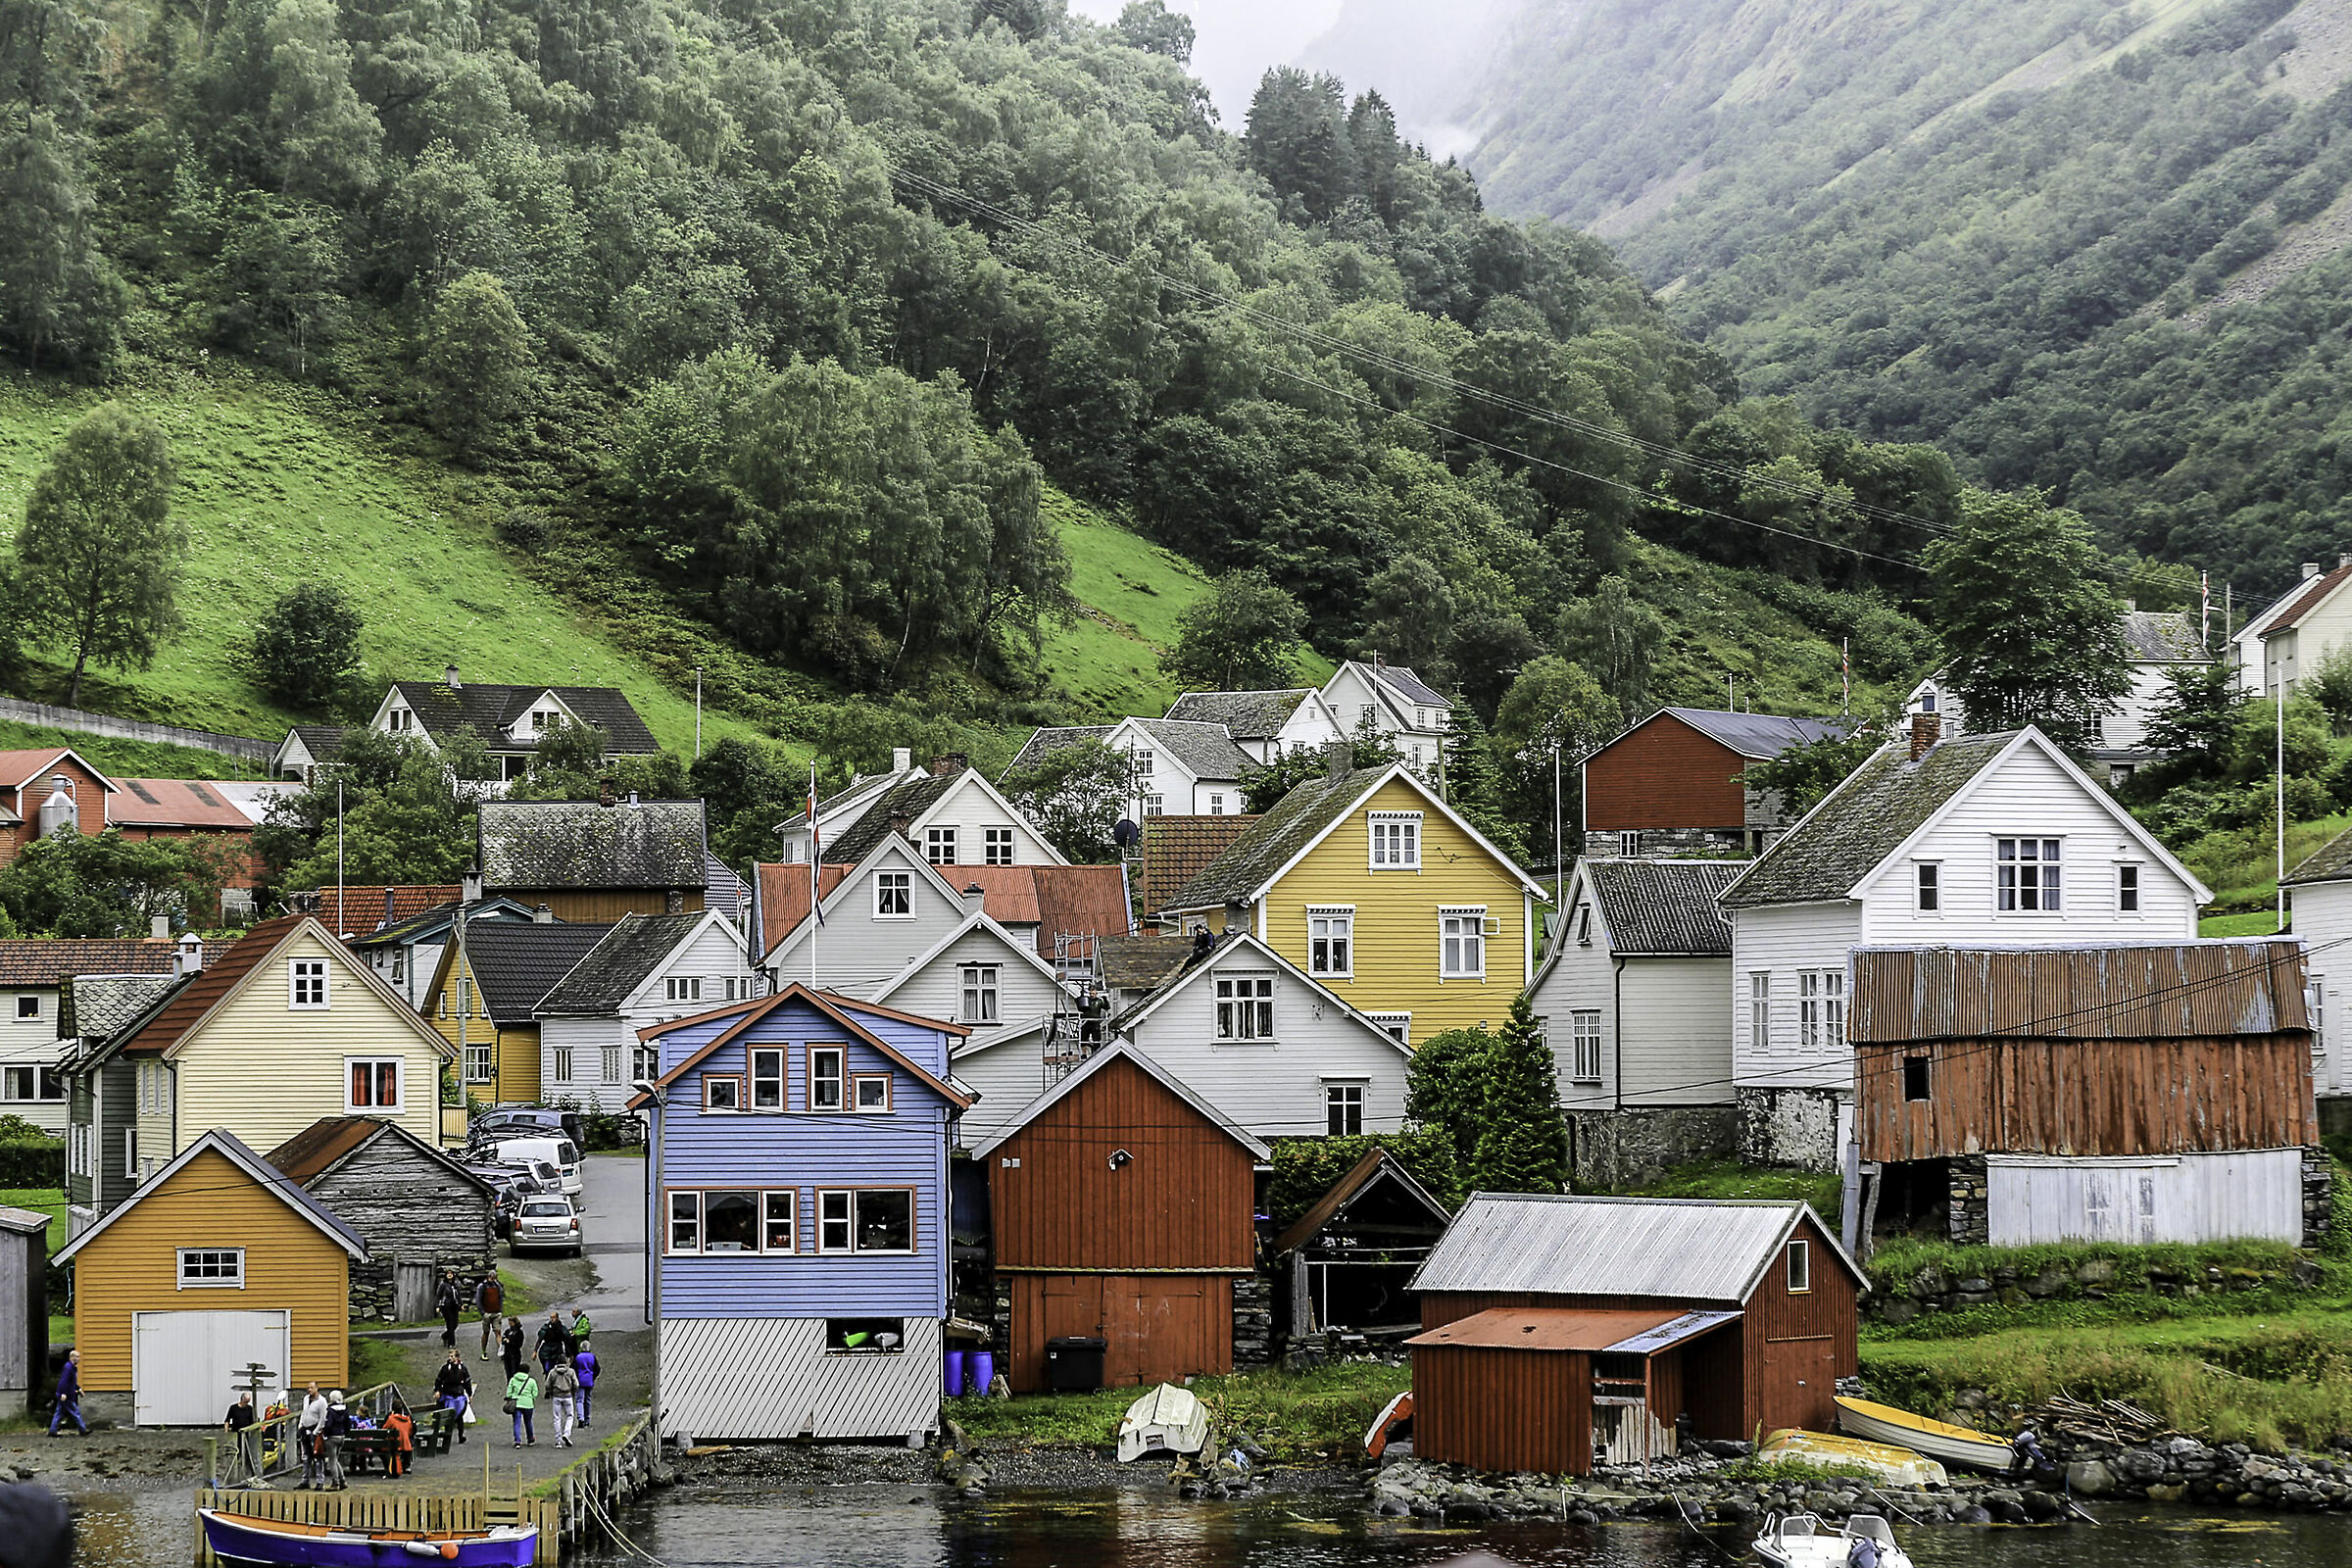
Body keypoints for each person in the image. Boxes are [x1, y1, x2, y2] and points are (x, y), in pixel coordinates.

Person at [433, 1349, 474, 1446]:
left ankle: (461, 1436)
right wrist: (437, 1391)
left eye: (452, 1356)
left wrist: (470, 1394)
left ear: (457, 1357)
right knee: (449, 1417)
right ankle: (447, 1437)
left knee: (459, 1416)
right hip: (448, 1396)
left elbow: (467, 1382)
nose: (450, 1358)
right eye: (449, 1356)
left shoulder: (463, 1369)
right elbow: (438, 1380)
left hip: (459, 1396)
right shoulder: (445, 1368)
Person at [221, 1391, 260, 1483]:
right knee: (235, 1453)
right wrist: (226, 1433)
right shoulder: (233, 1408)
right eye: (246, 1401)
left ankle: (248, 1472)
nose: (247, 1403)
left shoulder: (250, 1409)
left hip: (246, 1435)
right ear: (242, 1400)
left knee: (246, 1454)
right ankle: (234, 1473)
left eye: (248, 1401)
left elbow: (253, 1422)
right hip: (235, 1433)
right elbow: (227, 1421)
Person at [46, 1350, 85, 1438]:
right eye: (77, 1357)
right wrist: (63, 1393)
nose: (79, 1359)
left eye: (79, 1357)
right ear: (72, 1358)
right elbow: (64, 1381)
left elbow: (72, 1382)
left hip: (67, 1394)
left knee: (59, 1413)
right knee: (75, 1412)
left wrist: (78, 1389)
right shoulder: (68, 1368)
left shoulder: (71, 1367)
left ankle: (52, 1430)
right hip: (67, 1395)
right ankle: (83, 1430)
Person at [296, 1382, 328, 1488]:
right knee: (305, 1456)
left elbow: (323, 1417)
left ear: (317, 1388)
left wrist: (316, 1431)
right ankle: (305, 1480)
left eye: (311, 1388)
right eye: (308, 1388)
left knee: (317, 1457)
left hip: (315, 1430)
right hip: (305, 1428)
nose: (309, 1390)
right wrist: (300, 1425)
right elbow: (304, 1413)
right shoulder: (306, 1399)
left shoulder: (322, 1401)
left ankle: (320, 1481)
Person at [318, 1393, 352, 1491]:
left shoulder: (331, 1410)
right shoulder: (345, 1410)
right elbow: (348, 1424)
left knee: (332, 1461)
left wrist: (325, 1434)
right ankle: (342, 1480)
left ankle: (335, 1482)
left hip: (332, 1437)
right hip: (341, 1436)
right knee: (335, 1459)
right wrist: (344, 1432)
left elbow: (328, 1425)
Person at [546, 1357, 579, 1448]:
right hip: (568, 1396)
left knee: (557, 1418)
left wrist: (551, 1392)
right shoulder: (570, 1371)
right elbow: (576, 1384)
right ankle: (566, 1433)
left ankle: (558, 1440)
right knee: (570, 1416)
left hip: (556, 1396)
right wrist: (573, 1392)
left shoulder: (553, 1372)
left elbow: (548, 1384)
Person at [506, 1367, 538, 1447]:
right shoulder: (531, 1381)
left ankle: (517, 1441)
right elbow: (535, 1394)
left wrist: (511, 1397)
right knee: (528, 1422)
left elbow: (508, 1393)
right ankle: (530, 1439)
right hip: (528, 1404)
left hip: (517, 1404)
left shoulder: (513, 1379)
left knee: (517, 1422)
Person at [535, 1310, 573, 1378]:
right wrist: (535, 1350)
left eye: (553, 1317)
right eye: (551, 1317)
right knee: (547, 1368)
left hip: (557, 1349)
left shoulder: (561, 1328)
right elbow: (540, 1339)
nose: (552, 1319)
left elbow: (566, 1340)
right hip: (546, 1349)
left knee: (558, 1368)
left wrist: (569, 1354)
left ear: (557, 1318)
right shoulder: (546, 1327)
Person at [475, 1273, 505, 1359]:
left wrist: (500, 1310)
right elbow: (478, 1299)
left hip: (496, 1313)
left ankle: (501, 1351)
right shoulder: (482, 1286)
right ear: (488, 1277)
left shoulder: (498, 1286)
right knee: (486, 1333)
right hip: (486, 1313)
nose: (493, 1280)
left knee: (498, 1332)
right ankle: (483, 1352)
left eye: (495, 1278)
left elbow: (500, 1297)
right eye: (492, 1278)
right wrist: (482, 1312)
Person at [383, 1406, 415, 1479]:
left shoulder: (391, 1419)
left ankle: (389, 1467)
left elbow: (384, 1429)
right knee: (407, 1444)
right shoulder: (408, 1420)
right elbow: (410, 1432)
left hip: (392, 1444)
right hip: (405, 1443)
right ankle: (406, 1466)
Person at [572, 1341, 598, 1429]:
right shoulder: (592, 1357)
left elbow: (573, 1369)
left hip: (580, 1380)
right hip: (589, 1381)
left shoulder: (578, 1357)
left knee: (579, 1400)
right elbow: (597, 1369)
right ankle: (587, 1419)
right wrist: (592, 1376)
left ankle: (581, 1418)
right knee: (588, 1400)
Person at [435, 1269, 464, 1348]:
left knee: (455, 1324)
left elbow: (458, 1295)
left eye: (451, 1274)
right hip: (446, 1306)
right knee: (450, 1324)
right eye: (448, 1274)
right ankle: (451, 1343)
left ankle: (445, 1336)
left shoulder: (455, 1284)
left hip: (454, 1306)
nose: (450, 1275)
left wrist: (461, 1304)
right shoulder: (443, 1285)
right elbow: (438, 1296)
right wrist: (437, 1306)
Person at [500, 1316, 525, 1381]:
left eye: (511, 1323)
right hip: (507, 1355)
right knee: (508, 1374)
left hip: (515, 1355)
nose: (510, 1324)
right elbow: (503, 1338)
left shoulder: (519, 1333)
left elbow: (519, 1344)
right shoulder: (508, 1331)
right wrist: (504, 1340)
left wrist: (509, 1342)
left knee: (514, 1373)